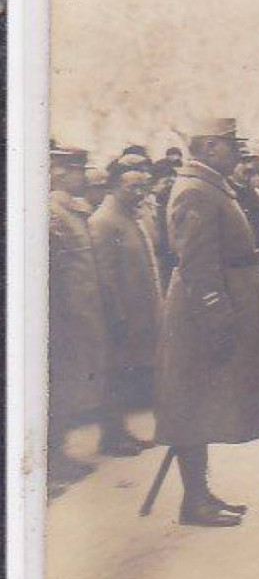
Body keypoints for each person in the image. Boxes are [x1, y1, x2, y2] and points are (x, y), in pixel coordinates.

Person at [154, 118, 259, 527]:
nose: (238, 152)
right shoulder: (195, 190)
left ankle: (200, 494)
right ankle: (194, 502)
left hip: (215, 304)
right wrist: (217, 318)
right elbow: (197, 264)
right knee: (191, 402)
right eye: (231, 145)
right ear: (208, 147)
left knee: (200, 402)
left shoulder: (210, 185)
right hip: (201, 311)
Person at [88, 166, 164, 455]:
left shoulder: (131, 217)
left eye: (144, 186)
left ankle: (120, 433)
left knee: (124, 373)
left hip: (138, 313)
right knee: (114, 374)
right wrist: (117, 315)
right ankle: (111, 436)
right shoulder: (105, 221)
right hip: (119, 316)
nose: (141, 193)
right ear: (116, 186)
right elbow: (105, 276)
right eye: (134, 186)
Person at [48, 145, 108, 482]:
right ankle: (54, 460)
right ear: (58, 171)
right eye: (76, 170)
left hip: (82, 311)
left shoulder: (73, 209)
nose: (82, 177)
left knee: (71, 386)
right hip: (67, 316)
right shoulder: (54, 211)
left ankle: (59, 455)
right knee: (60, 387)